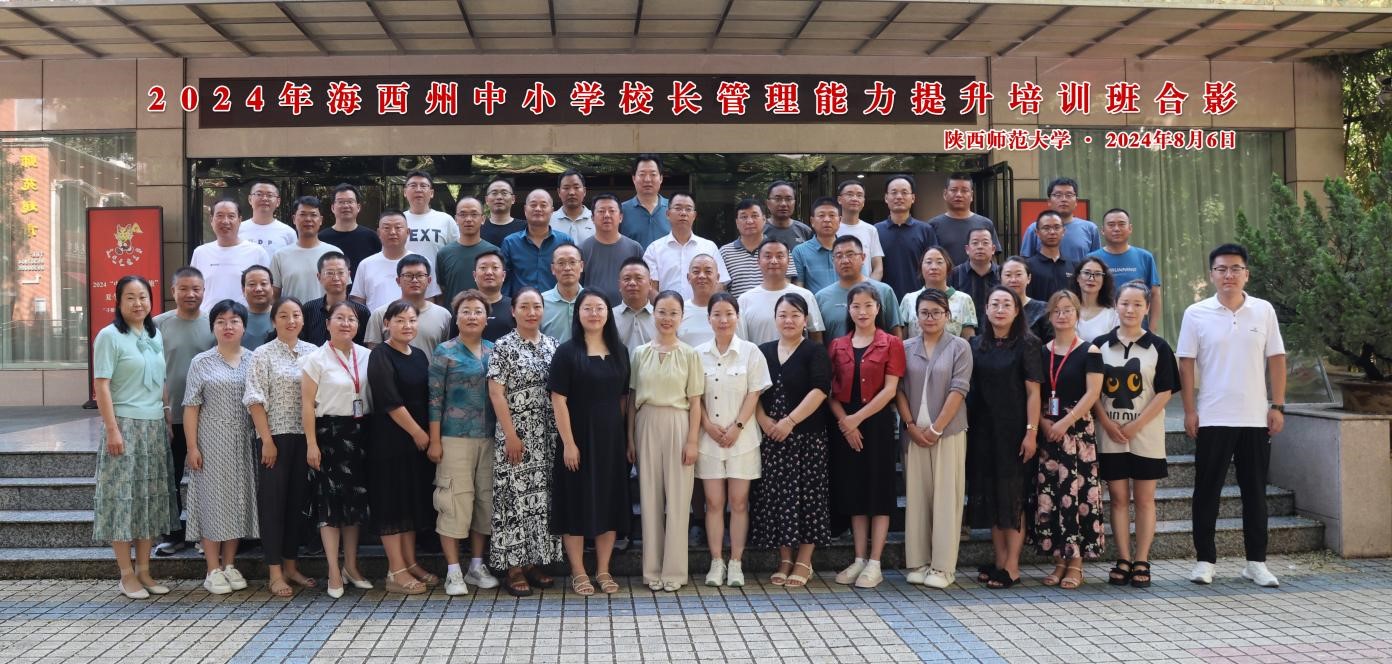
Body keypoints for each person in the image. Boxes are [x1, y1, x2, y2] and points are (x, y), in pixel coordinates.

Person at [1178, 243, 1286, 588]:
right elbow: (1186, 363)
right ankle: (1204, 561)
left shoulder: (1263, 310)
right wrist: (1190, 410)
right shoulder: (1196, 313)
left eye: (1235, 268)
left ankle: (1256, 562)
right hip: (1212, 415)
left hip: (1255, 416)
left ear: (1246, 274)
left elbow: (1276, 358)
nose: (1229, 275)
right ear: (1212, 274)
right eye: (1221, 269)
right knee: (1206, 491)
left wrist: (1278, 405)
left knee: (1255, 492)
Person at [92, 275, 179, 600]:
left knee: (148, 500)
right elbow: (102, 385)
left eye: (143, 296)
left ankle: (144, 570)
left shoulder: (154, 335)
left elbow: (162, 380)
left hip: (153, 427)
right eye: (130, 297)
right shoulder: (109, 336)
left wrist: (166, 413)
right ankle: (126, 574)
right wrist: (112, 429)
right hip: (125, 426)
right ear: (118, 301)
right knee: (122, 500)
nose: (138, 303)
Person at [1092, 281, 1178, 589]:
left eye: (1137, 304)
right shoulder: (1099, 345)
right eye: (1124, 303)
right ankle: (1123, 559)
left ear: (1147, 308)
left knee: (1144, 499)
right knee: (1117, 499)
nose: (1130, 309)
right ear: (1115, 306)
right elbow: (1092, 392)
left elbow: (1165, 391)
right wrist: (1106, 422)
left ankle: (1142, 559)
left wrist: (1136, 425)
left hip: (1146, 435)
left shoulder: (1159, 347)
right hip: (1109, 434)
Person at [549, 289, 632, 596]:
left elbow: (624, 398)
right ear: (578, 313)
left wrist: (625, 438)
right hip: (578, 439)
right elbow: (558, 400)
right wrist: (569, 443)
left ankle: (603, 569)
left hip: (611, 440)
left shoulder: (620, 351)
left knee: (609, 502)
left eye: (600, 308)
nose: (594, 313)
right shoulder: (567, 352)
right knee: (576, 502)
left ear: (608, 313)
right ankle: (579, 571)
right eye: (588, 308)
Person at [827, 283, 907, 589]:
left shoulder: (891, 343)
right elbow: (830, 392)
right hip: (846, 425)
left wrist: (856, 420)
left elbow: (890, 390)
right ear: (848, 310)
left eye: (868, 306)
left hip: (876, 424)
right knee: (855, 491)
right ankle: (859, 558)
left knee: (879, 491)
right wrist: (845, 423)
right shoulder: (837, 345)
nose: (862, 312)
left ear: (878, 308)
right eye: (856, 306)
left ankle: (875, 562)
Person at [486, 288, 564, 596]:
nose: (531, 312)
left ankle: (533, 562)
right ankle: (513, 568)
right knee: (513, 499)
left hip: (546, 435)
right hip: (516, 435)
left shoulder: (553, 345)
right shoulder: (503, 346)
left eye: (537, 306)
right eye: (525, 307)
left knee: (540, 500)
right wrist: (510, 435)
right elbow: (496, 393)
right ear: (513, 311)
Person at [751, 293, 832, 589]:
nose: (789, 320)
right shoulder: (762, 351)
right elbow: (752, 391)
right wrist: (764, 421)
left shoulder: (815, 351)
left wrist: (790, 422)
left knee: (809, 497)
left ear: (805, 320)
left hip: (807, 438)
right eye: (783, 315)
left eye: (795, 315)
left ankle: (804, 561)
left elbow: (820, 390)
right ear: (774, 319)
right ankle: (785, 558)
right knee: (778, 498)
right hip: (772, 438)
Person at [896, 289, 973, 589]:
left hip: (948, 432)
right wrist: (910, 425)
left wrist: (937, 428)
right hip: (914, 433)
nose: (930, 318)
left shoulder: (959, 347)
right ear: (916, 316)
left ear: (948, 316)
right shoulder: (905, 347)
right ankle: (918, 562)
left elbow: (959, 389)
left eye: (936, 312)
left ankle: (943, 567)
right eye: (924, 312)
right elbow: (898, 390)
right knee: (916, 498)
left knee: (946, 498)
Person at [428, 291, 504, 596]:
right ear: (456, 318)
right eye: (466, 311)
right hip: (453, 437)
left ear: (487, 318)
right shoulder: (444, 351)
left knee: (484, 500)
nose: (472, 316)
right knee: (453, 500)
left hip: (490, 437)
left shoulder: (495, 350)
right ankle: (453, 571)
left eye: (478, 311)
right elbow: (435, 398)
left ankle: (476, 565)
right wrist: (435, 440)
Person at [967, 286, 1043, 589]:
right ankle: (999, 562)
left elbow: (1033, 393)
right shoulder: (976, 344)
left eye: (1006, 305)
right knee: (992, 498)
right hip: (982, 430)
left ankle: (1012, 566)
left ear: (1016, 310)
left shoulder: (1028, 343)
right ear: (985, 309)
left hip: (1015, 431)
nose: (1000, 310)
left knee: (1012, 499)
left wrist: (1031, 432)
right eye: (994, 304)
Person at [629, 291, 705, 592]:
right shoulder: (640, 353)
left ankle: (674, 571)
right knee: (649, 499)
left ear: (682, 317)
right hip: (646, 422)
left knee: (678, 500)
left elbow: (696, 402)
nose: (667, 318)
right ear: (654, 314)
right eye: (661, 311)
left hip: (679, 423)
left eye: (673, 313)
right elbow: (632, 398)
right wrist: (630, 439)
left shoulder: (690, 354)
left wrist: (692, 441)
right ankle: (652, 571)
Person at [182, 299, 258, 595]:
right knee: (212, 503)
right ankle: (212, 568)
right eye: (221, 321)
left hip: (243, 442)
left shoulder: (254, 359)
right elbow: (191, 407)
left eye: (234, 321)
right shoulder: (201, 362)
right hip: (210, 442)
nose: (228, 326)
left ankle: (229, 564)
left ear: (243, 326)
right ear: (212, 327)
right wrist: (192, 447)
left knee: (237, 502)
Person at [694, 293, 771, 588]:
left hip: (743, 439)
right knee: (714, 503)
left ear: (738, 317)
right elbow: (694, 397)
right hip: (709, 439)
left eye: (728, 313)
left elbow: (755, 392)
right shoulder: (697, 353)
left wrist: (737, 426)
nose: (723, 320)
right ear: (708, 318)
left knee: (739, 502)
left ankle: (736, 562)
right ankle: (716, 561)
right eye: (717, 314)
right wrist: (707, 425)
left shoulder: (751, 352)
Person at [1030, 290, 1105, 591]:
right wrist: (1044, 423)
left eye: (1068, 310)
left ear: (1077, 314)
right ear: (1049, 316)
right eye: (1057, 311)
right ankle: (1059, 560)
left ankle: (1076, 563)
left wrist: (1064, 422)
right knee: (1052, 494)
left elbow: (1092, 393)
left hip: (1077, 435)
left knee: (1077, 496)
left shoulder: (1090, 351)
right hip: (1049, 434)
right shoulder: (1041, 351)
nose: (1062, 315)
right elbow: (1034, 393)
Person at [243, 297, 318, 597]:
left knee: (297, 503)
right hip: (275, 438)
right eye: (283, 315)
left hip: (306, 438)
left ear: (303, 320)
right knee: (273, 505)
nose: (291, 321)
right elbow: (254, 399)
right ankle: (274, 572)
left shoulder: (313, 353)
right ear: (273, 321)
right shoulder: (262, 354)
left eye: (296, 315)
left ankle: (291, 565)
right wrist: (266, 441)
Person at [300, 301, 374, 598]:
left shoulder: (367, 355)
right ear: (327, 323)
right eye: (339, 318)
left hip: (360, 434)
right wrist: (311, 444)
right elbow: (307, 405)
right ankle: (333, 569)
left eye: (351, 319)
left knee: (355, 503)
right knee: (329, 504)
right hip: (328, 434)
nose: (346, 323)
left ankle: (351, 566)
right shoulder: (315, 359)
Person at [367, 300, 440, 595]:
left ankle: (411, 563)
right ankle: (395, 571)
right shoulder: (380, 355)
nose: (407, 326)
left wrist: (425, 435)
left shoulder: (419, 355)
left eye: (411, 320)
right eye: (399, 320)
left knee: (410, 504)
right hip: (391, 442)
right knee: (392, 506)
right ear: (387, 324)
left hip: (416, 444)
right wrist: (418, 432)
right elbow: (390, 401)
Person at [153, 267, 215, 557]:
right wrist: (163, 409)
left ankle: (209, 533)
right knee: (171, 476)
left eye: (196, 289)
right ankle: (173, 534)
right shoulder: (158, 325)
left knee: (208, 478)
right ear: (173, 291)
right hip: (171, 415)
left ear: (204, 290)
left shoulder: (213, 322)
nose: (191, 294)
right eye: (184, 289)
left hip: (208, 416)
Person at [736, 239, 825, 345]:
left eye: (779, 256)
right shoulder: (744, 300)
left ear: (788, 262)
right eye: (768, 256)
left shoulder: (805, 295)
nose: (774, 261)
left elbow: (816, 335)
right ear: (758, 262)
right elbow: (740, 342)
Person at [643, 191, 729, 300]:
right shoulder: (654, 249)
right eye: (678, 208)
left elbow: (720, 284)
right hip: (666, 310)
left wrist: (703, 306)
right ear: (668, 214)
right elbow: (650, 288)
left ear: (694, 215)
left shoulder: (709, 247)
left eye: (688, 209)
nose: (683, 213)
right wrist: (667, 307)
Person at [350, 210, 442, 311]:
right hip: (376, 320)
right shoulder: (365, 264)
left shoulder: (422, 263)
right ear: (379, 233)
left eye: (398, 227)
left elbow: (429, 299)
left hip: (414, 320)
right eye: (386, 228)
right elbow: (358, 301)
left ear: (408, 232)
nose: (393, 232)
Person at [190, 199, 271, 311]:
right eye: (220, 216)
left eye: (231, 216)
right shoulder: (200, 253)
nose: (225, 221)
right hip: (207, 319)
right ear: (211, 220)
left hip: (244, 319)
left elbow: (268, 291)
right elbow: (193, 289)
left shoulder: (257, 252)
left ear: (240, 220)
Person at [365, 255, 452, 360]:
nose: (414, 280)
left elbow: (447, 356)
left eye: (420, 275)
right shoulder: (381, 314)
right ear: (398, 281)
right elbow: (373, 356)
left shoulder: (443, 315)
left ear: (429, 280)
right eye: (408, 275)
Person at [1089, 208, 1163, 332]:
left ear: (1130, 228)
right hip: (1101, 329)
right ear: (1102, 230)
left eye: (1121, 224)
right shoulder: (1091, 260)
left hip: (1138, 329)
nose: (1116, 229)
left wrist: (1152, 329)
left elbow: (1155, 294)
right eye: (1111, 225)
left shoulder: (1145, 257)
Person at [815, 236, 902, 340]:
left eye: (850, 255)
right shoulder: (821, 297)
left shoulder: (884, 291)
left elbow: (896, 333)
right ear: (833, 260)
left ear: (863, 257)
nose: (845, 260)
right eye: (839, 256)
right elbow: (817, 340)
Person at [875, 174, 939, 300]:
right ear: (886, 198)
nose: (899, 197)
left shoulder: (925, 230)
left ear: (913, 198)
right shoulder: (875, 231)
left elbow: (934, 266)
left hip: (918, 300)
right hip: (884, 300)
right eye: (894, 192)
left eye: (904, 192)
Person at [720, 198, 799, 299]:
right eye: (744, 217)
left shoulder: (779, 248)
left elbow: (787, 284)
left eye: (754, 216)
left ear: (764, 219)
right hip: (740, 308)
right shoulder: (725, 252)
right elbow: (722, 289)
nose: (749, 221)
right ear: (737, 222)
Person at [501, 189, 573, 295]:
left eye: (543, 205)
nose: (538, 209)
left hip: (557, 304)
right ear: (525, 209)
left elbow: (573, 277)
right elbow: (504, 281)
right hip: (522, 304)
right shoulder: (510, 243)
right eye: (533, 205)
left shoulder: (565, 241)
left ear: (552, 211)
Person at [579, 193, 645, 306]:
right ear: (592, 218)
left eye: (612, 211)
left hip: (628, 311)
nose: (607, 215)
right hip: (593, 311)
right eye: (601, 211)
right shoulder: (582, 249)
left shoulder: (635, 248)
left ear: (621, 217)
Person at [898, 246, 978, 339]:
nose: (934, 267)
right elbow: (901, 341)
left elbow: (968, 340)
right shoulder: (909, 299)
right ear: (921, 267)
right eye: (928, 262)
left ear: (948, 267)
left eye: (939, 262)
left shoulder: (963, 300)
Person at [270, 196, 339, 302]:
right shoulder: (280, 255)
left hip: (325, 312)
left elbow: (341, 293)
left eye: (313, 215)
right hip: (291, 312)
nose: (308, 219)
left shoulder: (334, 254)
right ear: (294, 219)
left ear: (320, 220)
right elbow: (274, 296)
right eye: (303, 214)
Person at [436, 196, 500, 306]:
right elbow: (441, 291)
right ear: (456, 219)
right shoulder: (444, 253)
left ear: (483, 219)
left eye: (474, 214)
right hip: (453, 315)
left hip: (486, 314)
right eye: (463, 214)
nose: (468, 219)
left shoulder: (494, 252)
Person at [1020, 177, 1101, 263]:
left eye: (1069, 195)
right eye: (1058, 195)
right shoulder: (1035, 228)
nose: (1063, 199)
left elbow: (1096, 263)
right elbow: (1025, 263)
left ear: (1076, 201)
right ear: (1049, 201)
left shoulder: (1090, 229)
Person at [927, 173, 1000, 267]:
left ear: (972, 195)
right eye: (954, 190)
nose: (959, 194)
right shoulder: (933, 225)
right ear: (945, 194)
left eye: (964, 191)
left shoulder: (985, 224)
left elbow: (993, 259)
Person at [301, 252, 371, 347]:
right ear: (319, 277)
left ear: (349, 275)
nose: (336, 278)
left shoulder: (362, 311)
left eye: (341, 273)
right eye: (329, 273)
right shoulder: (309, 309)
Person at [319, 183, 381, 279]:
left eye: (350, 201)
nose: (346, 205)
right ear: (332, 208)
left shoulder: (371, 237)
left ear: (358, 207)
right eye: (340, 202)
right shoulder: (321, 238)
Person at [402, 170, 460, 271]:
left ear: (431, 193)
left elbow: (456, 254)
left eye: (423, 186)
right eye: (413, 185)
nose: (418, 190)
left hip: (437, 281)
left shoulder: (446, 220)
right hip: (404, 280)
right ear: (405, 192)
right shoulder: (398, 220)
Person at [947, 228, 1000, 327]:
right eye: (975, 243)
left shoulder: (1002, 274)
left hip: (996, 331)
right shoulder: (954, 274)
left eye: (985, 243)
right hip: (962, 331)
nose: (980, 247)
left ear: (993, 249)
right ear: (967, 249)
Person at [835, 179, 884, 280]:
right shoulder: (832, 228)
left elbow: (878, 267)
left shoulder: (871, 230)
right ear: (839, 199)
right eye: (850, 194)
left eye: (859, 195)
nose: (855, 198)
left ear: (863, 202)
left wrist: (868, 286)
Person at [790, 197, 840, 294]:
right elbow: (799, 289)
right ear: (812, 221)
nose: (827, 220)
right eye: (821, 215)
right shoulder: (800, 251)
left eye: (832, 215)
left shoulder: (848, 249)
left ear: (840, 220)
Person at [620, 154, 671, 249]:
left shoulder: (673, 208)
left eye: (653, 174)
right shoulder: (620, 210)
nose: (647, 179)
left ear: (661, 178)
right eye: (642, 174)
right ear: (634, 178)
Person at [1024, 210, 1075, 302]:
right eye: (1046, 228)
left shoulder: (1073, 266)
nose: (1052, 232)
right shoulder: (1027, 266)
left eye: (1057, 227)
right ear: (1037, 233)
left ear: (1063, 231)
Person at [540, 243, 584, 341]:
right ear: (553, 269)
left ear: (581, 266)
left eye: (572, 262)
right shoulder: (540, 302)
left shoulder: (592, 300)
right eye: (561, 263)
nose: (567, 268)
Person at [1002, 256, 1051, 342]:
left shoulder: (1043, 309)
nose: (1013, 280)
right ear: (1000, 279)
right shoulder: (995, 309)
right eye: (1008, 275)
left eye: (1018, 274)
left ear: (1029, 278)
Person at [240, 180, 296, 253]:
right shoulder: (238, 230)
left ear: (278, 202)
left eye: (270, 195)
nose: (264, 198)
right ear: (250, 199)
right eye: (259, 194)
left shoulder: (288, 233)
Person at [1071, 257, 1120, 341]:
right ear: (1078, 277)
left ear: (1104, 280)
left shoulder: (1112, 314)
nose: (1091, 278)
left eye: (1097, 274)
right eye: (1086, 273)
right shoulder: (1065, 311)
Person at [678, 254, 721, 347]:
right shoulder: (678, 311)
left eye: (708, 271)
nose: (702, 276)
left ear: (717, 278)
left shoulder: (730, 311)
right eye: (696, 272)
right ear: (688, 278)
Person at [614, 257, 657, 348]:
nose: (632, 283)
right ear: (619, 285)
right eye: (627, 279)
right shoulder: (608, 317)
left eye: (638, 278)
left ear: (650, 284)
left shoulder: (660, 317)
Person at [473, 250, 515, 342]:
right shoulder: (463, 308)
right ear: (474, 275)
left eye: (495, 267)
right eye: (483, 268)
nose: (489, 272)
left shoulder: (515, 307)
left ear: (503, 275)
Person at [762, 180, 813, 248]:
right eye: (778, 199)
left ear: (794, 203)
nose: (783, 204)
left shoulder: (805, 231)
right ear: (768, 203)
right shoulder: (759, 230)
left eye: (788, 199)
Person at [550, 169, 595, 244]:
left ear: (584, 191)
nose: (571, 192)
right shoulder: (549, 221)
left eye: (576, 187)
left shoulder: (597, 219)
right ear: (559, 192)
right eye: (566, 188)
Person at [481, 177, 527, 247]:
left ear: (513, 199)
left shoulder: (526, 228)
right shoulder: (479, 228)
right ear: (486, 200)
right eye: (494, 193)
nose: (499, 197)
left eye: (504, 193)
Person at [240, 265, 275, 350]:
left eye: (263, 284)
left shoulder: (282, 316)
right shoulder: (237, 317)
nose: (258, 289)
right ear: (243, 290)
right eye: (252, 284)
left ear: (272, 288)